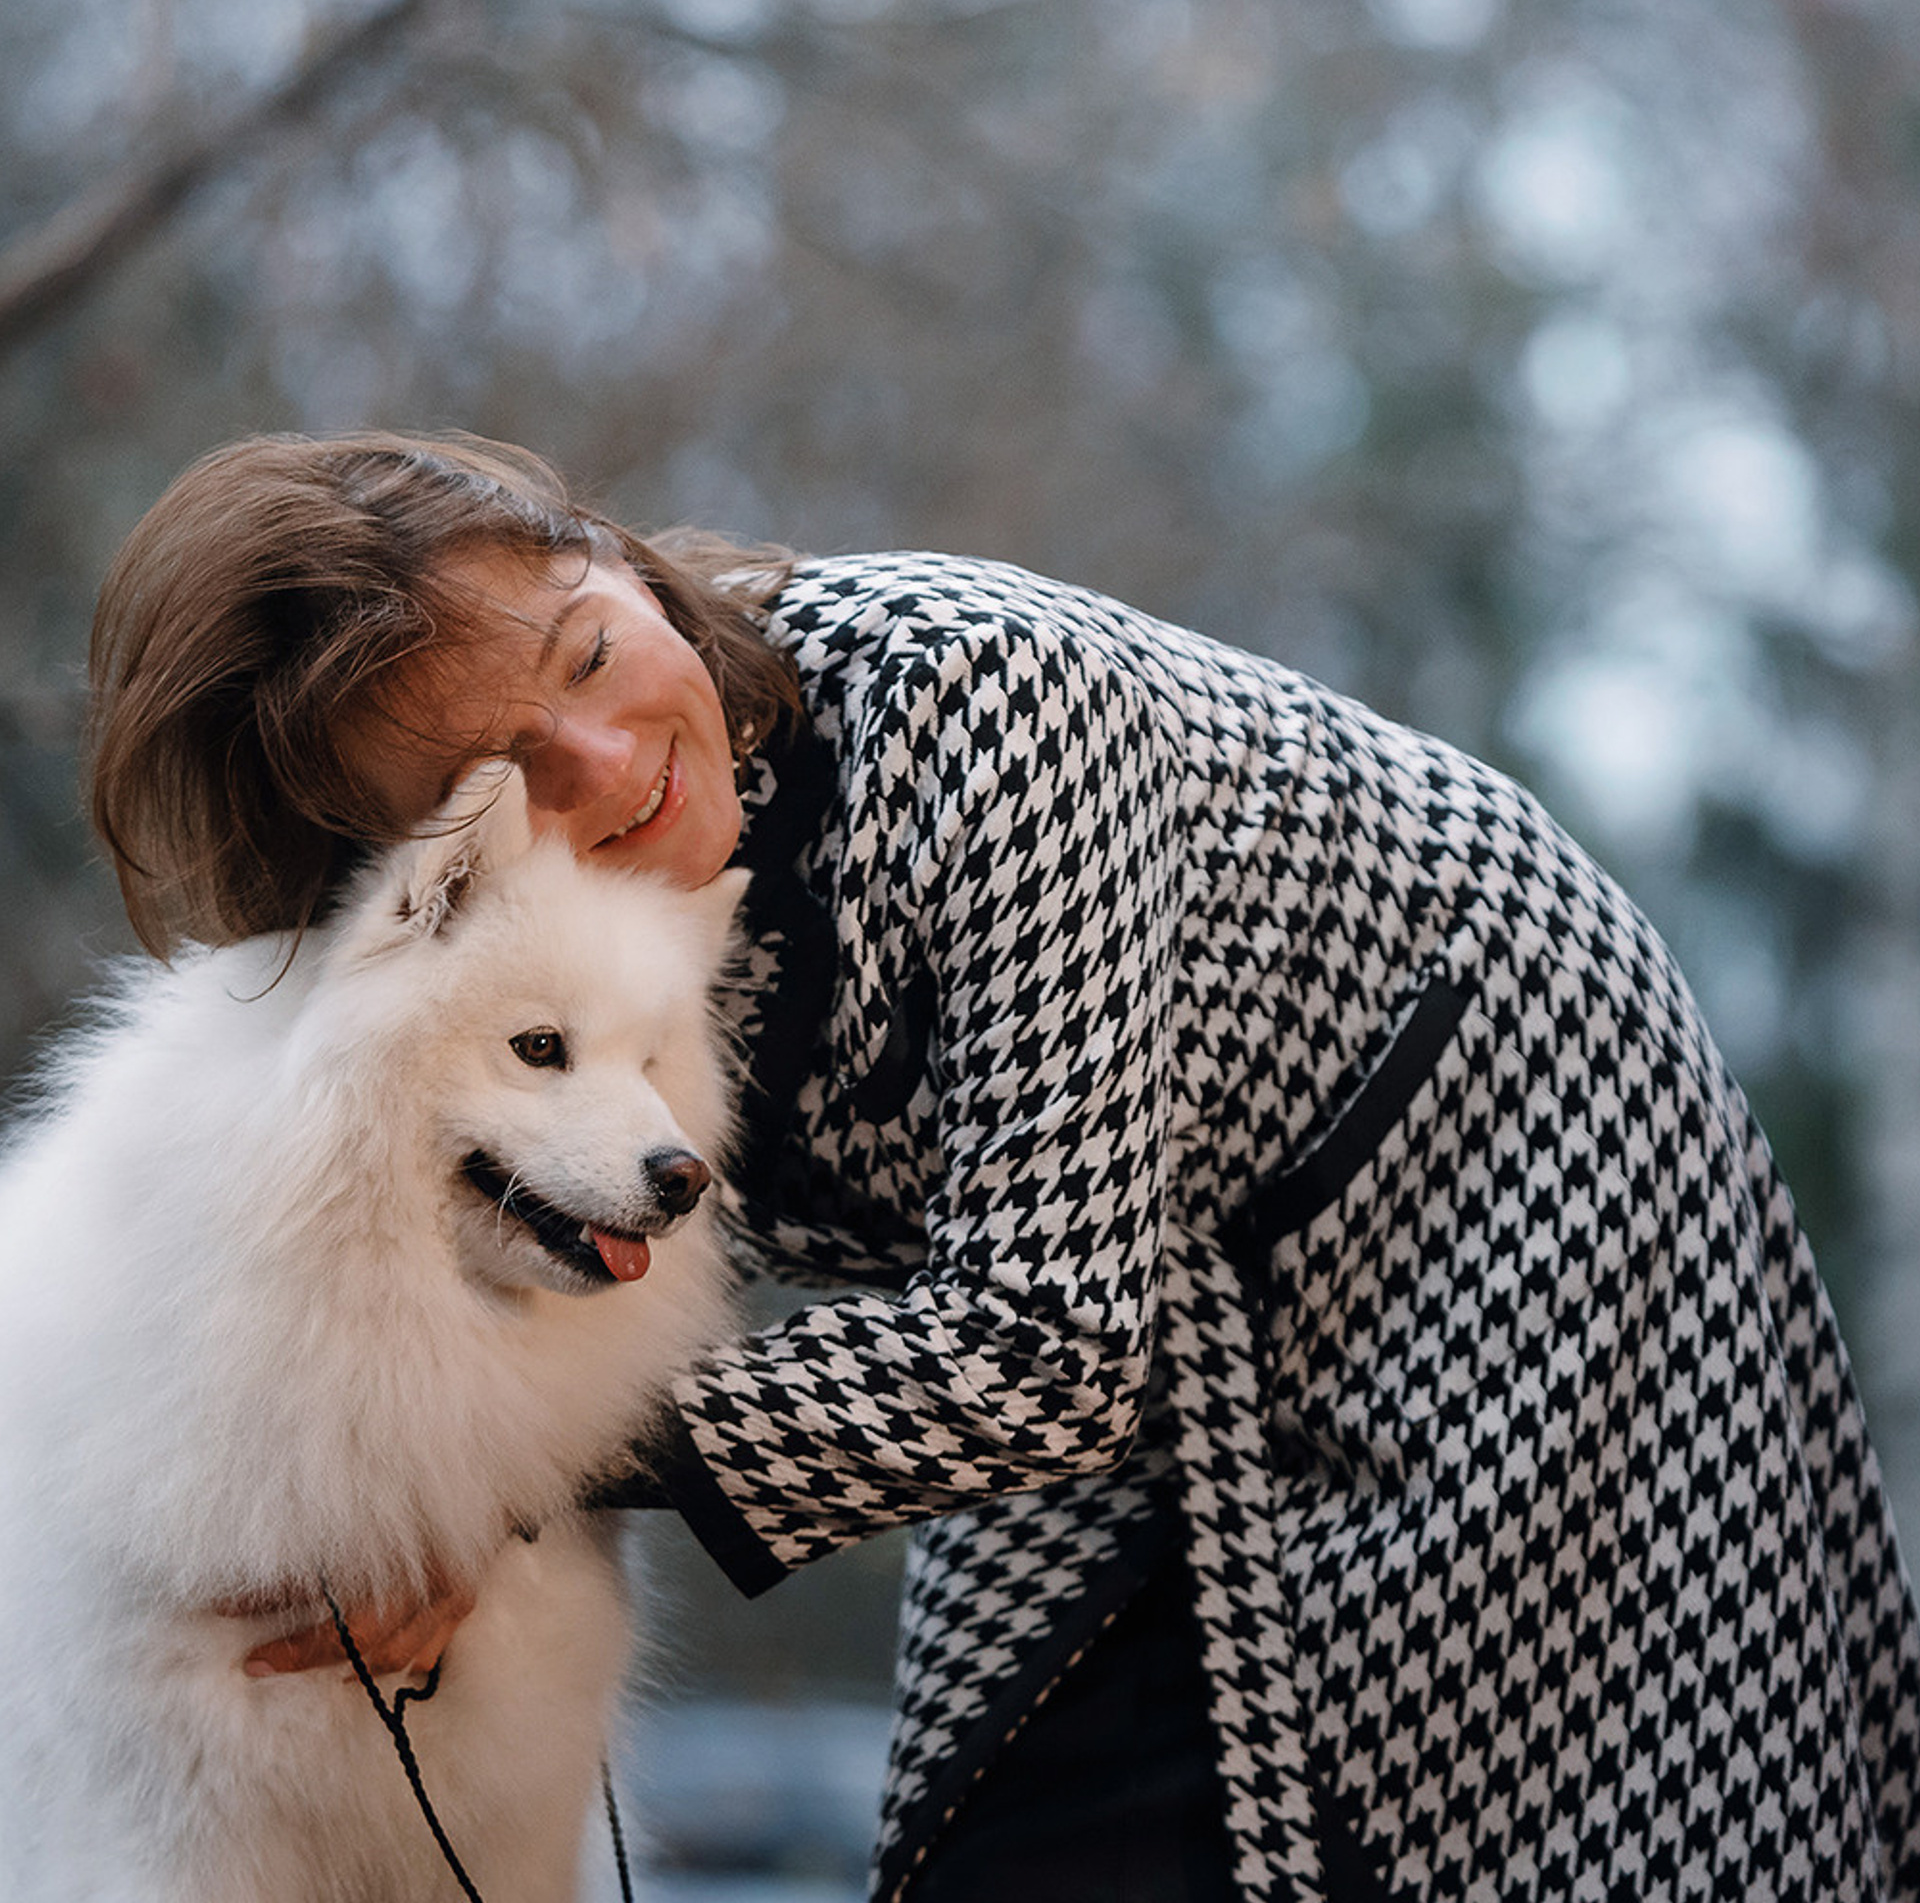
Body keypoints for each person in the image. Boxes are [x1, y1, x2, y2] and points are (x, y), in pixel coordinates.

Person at [87, 430, 1920, 1903]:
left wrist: (504, 1484)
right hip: (1126, 1292)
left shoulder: (989, 700)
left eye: (587, 650)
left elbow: (1039, 1347)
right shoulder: (499, 966)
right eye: (506, 764)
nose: (607, 760)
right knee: (1018, 1822)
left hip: (1485, 1159)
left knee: (1507, 1800)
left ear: (626, 566)